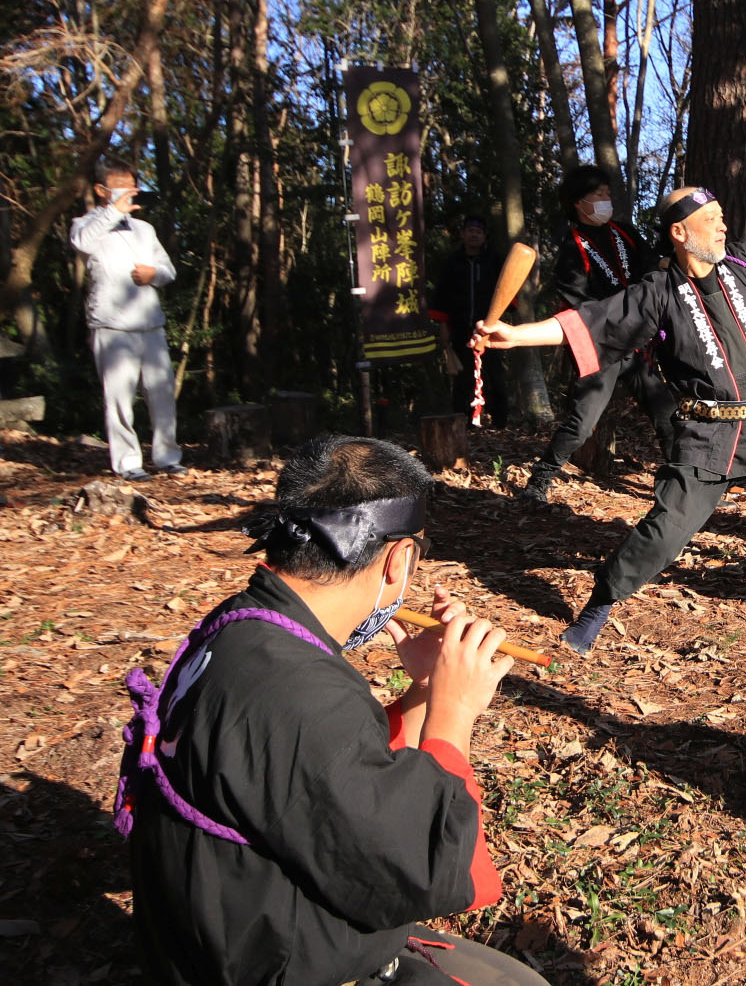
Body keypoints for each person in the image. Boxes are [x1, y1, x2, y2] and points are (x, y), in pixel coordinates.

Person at [115, 434, 550, 986]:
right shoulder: (294, 690)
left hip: (236, 932)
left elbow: (337, 777)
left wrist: (423, 688)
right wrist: (454, 709)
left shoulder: (245, 626)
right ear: (400, 558)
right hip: (276, 963)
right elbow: (426, 864)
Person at [474, 166, 746, 655]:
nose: (724, 225)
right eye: (712, 218)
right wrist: (514, 335)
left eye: (723, 216)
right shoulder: (656, 294)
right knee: (664, 533)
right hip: (708, 439)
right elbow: (588, 322)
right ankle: (600, 603)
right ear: (680, 233)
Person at [523, 165, 677, 503]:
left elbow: (651, 269)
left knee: (667, 413)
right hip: (601, 346)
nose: (606, 200)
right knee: (582, 423)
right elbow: (578, 304)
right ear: (579, 203)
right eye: (598, 195)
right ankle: (540, 480)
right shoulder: (570, 249)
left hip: (637, 343)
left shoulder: (626, 233)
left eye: (608, 194)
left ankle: (683, 485)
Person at [71, 156, 184, 481]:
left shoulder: (144, 230)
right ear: (101, 189)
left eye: (132, 186)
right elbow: (81, 243)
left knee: (161, 393)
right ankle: (127, 462)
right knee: (118, 399)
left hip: (150, 323)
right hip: (111, 325)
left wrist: (154, 274)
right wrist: (114, 212)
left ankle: (167, 456)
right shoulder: (85, 224)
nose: (129, 192)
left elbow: (168, 270)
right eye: (121, 186)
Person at [428, 213, 511, 428]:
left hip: (490, 330)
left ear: (484, 236)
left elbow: (508, 290)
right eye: (470, 231)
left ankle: (500, 423)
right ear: (463, 235)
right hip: (461, 330)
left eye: (479, 231)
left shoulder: (495, 260)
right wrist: (444, 328)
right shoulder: (452, 264)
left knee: (495, 377)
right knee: (463, 380)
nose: (474, 235)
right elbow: (442, 299)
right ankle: (463, 425)